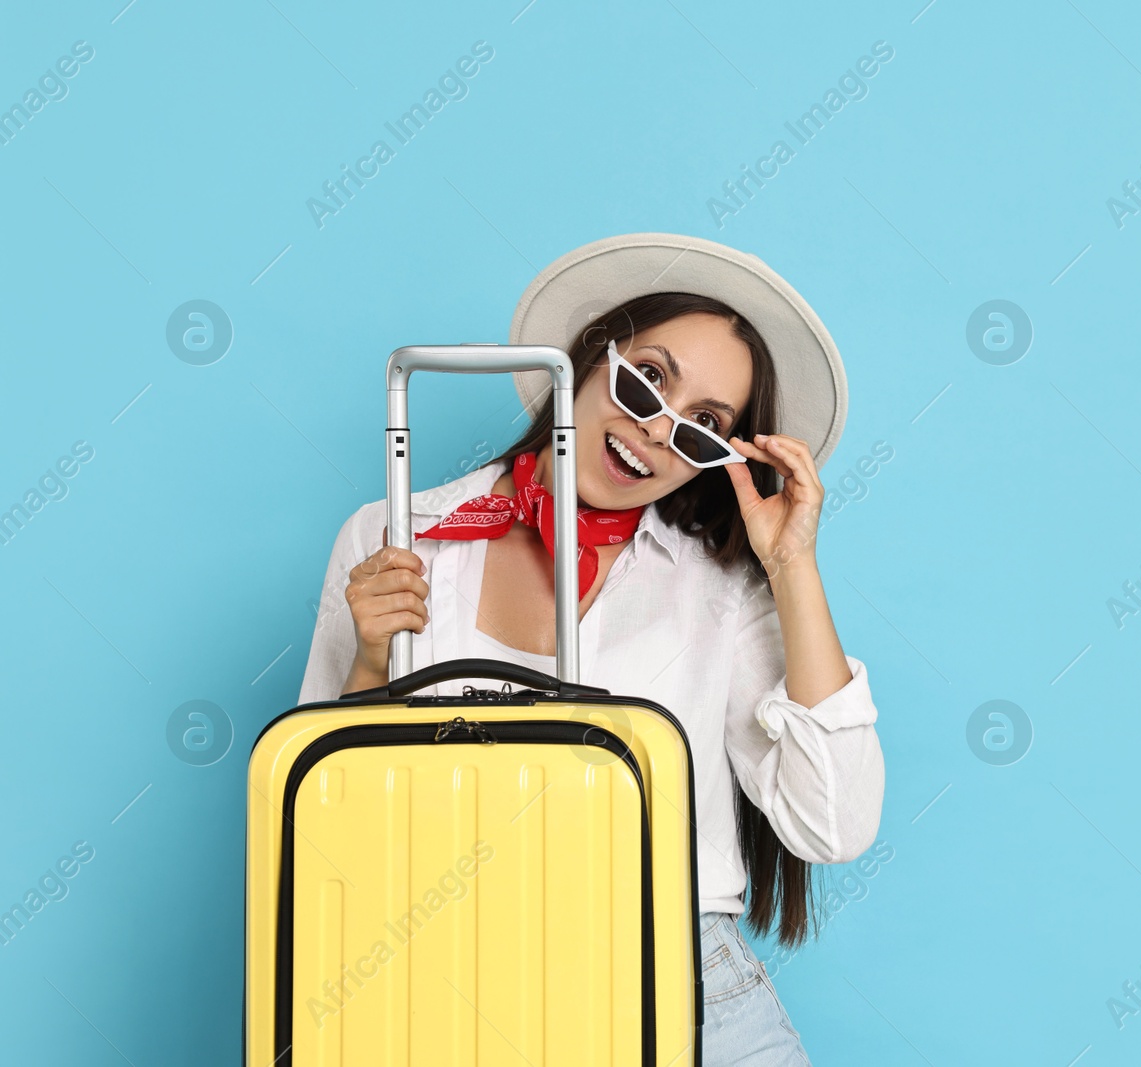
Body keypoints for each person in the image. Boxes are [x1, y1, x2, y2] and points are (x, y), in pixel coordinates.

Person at [297, 233, 885, 1065]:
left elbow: (836, 824)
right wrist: (367, 662)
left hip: (683, 993)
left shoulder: (721, 591)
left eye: (704, 428)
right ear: (585, 355)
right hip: (450, 986)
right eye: (649, 377)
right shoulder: (394, 536)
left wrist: (790, 567)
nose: (655, 428)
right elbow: (319, 832)